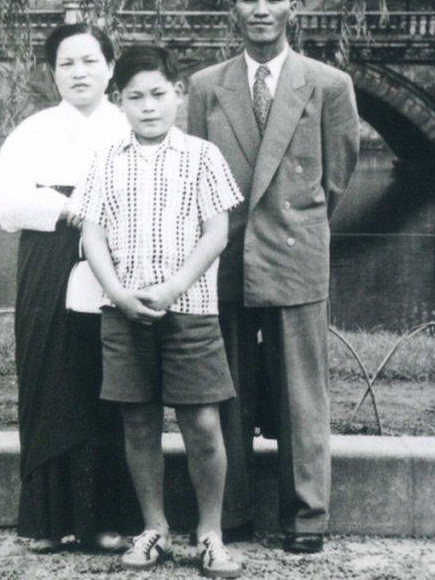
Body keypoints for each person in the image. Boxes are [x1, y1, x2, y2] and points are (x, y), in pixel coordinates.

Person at [187, 0, 360, 553]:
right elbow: (195, 179)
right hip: (224, 256)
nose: (262, 10)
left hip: (295, 254)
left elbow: (336, 179)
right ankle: (229, 511)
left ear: (295, 6)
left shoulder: (329, 85)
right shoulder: (206, 87)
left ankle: (306, 517)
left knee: (301, 393)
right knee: (223, 386)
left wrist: (297, 224)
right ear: (232, 7)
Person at [70, 46, 245, 578]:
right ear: (118, 101)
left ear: (179, 94)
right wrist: (118, 293)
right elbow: (91, 233)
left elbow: (218, 232)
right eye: (136, 98)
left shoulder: (201, 157)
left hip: (189, 309)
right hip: (122, 311)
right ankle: (155, 529)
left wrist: (173, 287)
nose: (149, 107)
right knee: (139, 421)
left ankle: (210, 534)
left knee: (201, 422)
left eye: (159, 95)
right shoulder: (105, 159)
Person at [0, 23, 138, 552]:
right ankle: (47, 521)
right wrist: (69, 208)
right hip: (48, 260)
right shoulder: (32, 131)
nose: (80, 72)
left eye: (90, 61)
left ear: (110, 67)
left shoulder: (130, 126)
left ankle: (105, 519)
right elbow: (9, 205)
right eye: (67, 64)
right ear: (52, 74)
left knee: (109, 385)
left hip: (118, 261)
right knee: (48, 377)